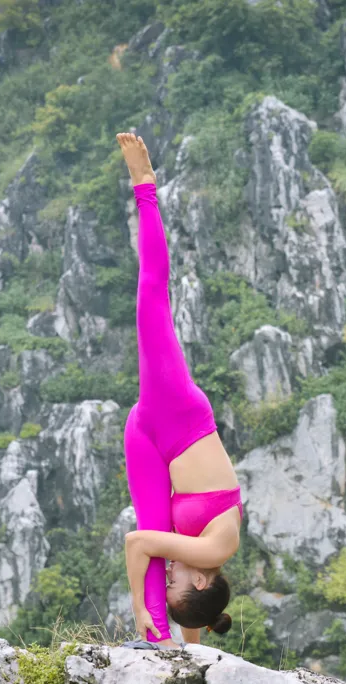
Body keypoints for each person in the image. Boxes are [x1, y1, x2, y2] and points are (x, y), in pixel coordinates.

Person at [117, 132, 239, 648]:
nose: (170, 579)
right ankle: (145, 186)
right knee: (151, 296)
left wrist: (181, 643)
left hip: (148, 437)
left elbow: (154, 552)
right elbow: (138, 543)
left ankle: (157, 644)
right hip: (180, 418)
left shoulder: (198, 569)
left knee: (152, 528)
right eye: (177, 585)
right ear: (204, 579)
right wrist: (139, 603)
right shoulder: (212, 552)